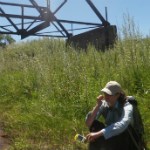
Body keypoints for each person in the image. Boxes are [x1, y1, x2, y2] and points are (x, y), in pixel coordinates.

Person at [85, 81, 137, 150]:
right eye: (105, 93)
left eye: (109, 94)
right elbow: (89, 123)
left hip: (125, 137)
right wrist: (97, 106)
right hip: (110, 134)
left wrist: (98, 134)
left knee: (123, 131)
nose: (106, 97)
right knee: (95, 124)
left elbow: (122, 124)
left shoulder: (127, 106)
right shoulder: (103, 104)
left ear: (117, 95)